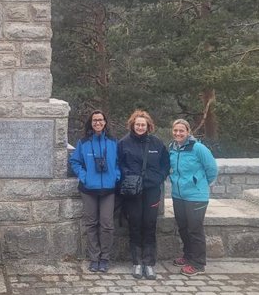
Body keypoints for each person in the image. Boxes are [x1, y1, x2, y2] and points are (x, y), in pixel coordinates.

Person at [117, 109, 170, 280]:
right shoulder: (124, 143)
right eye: (137, 124)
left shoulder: (157, 143)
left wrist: (158, 178)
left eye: (143, 124)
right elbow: (119, 164)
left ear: (148, 126)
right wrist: (129, 176)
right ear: (132, 125)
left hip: (152, 190)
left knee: (149, 224)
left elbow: (165, 164)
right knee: (135, 224)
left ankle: (149, 263)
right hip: (133, 191)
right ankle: (137, 262)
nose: (140, 127)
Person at [69, 110, 120, 273]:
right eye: (94, 120)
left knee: (107, 224)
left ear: (105, 122)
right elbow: (75, 162)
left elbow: (119, 162)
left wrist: (115, 176)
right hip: (89, 190)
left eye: (100, 120)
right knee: (91, 224)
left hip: (108, 190)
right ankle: (94, 258)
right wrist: (85, 177)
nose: (98, 122)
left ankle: (105, 258)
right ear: (91, 123)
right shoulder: (83, 142)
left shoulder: (113, 142)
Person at [168, 119, 218, 276]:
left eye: (181, 130)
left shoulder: (198, 148)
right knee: (183, 227)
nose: (178, 133)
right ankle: (188, 255)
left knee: (195, 229)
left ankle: (198, 263)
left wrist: (201, 183)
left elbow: (212, 168)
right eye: (175, 130)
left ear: (188, 132)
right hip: (178, 194)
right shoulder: (172, 148)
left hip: (196, 195)